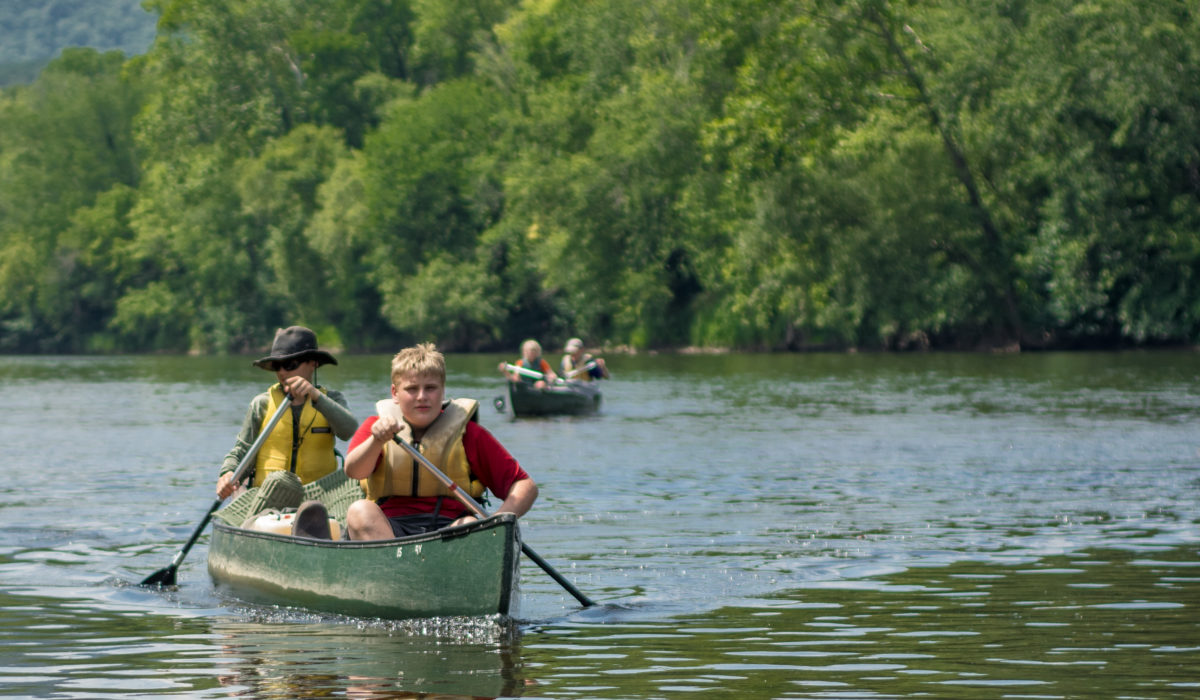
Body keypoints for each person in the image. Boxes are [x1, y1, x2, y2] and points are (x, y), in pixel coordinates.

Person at [342, 343, 538, 540]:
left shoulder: (468, 434)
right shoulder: (376, 427)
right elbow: (354, 471)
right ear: (395, 393)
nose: (422, 397)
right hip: (390, 529)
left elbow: (524, 485)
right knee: (359, 510)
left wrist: (497, 522)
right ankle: (395, 567)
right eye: (411, 389)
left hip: (450, 528)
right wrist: (376, 441)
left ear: (442, 391)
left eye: (430, 388)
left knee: (470, 524)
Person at [215, 326, 358, 503]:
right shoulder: (262, 404)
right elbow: (241, 452)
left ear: (312, 364)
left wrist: (315, 395)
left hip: (320, 500)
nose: (282, 372)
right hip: (269, 500)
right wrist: (227, 473)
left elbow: (349, 430)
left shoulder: (332, 399)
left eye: (290, 364)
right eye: (277, 365)